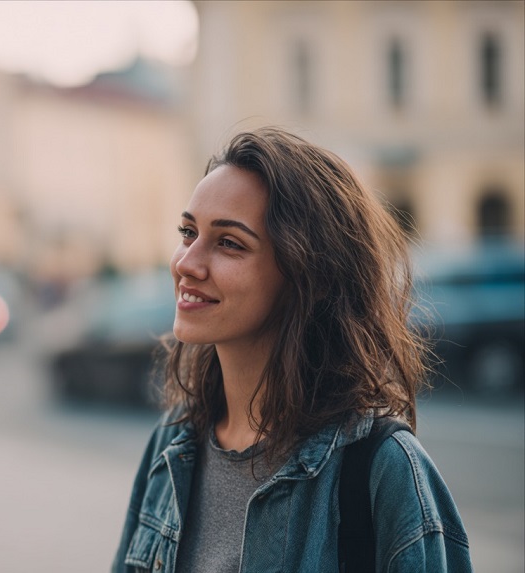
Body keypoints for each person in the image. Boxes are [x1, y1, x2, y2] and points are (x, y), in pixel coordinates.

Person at [112, 127, 472, 572]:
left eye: (229, 242)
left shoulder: (383, 470)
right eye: (188, 232)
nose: (186, 262)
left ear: (309, 274)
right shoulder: (172, 445)